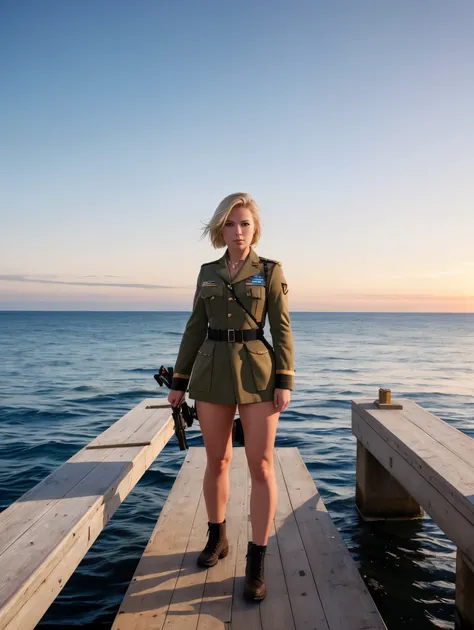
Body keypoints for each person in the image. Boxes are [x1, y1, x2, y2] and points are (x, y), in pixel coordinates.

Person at [167, 192, 294, 601]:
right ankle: (217, 537)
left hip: (258, 373)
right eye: (229, 224)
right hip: (212, 371)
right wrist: (179, 381)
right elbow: (194, 328)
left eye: (244, 224)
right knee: (217, 459)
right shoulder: (207, 272)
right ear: (219, 229)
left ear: (255, 228)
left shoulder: (269, 271)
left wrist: (285, 380)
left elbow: (283, 329)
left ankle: (256, 559)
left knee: (260, 465)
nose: (237, 231)